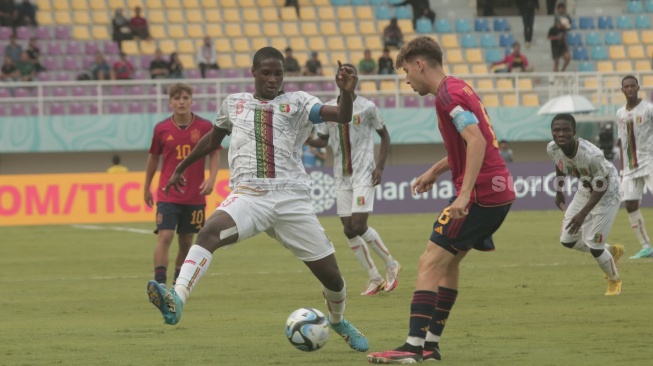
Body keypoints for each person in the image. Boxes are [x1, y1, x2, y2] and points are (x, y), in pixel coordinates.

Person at [145, 47, 370, 353]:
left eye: (278, 73)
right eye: (266, 72)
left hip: (292, 200)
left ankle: (338, 320)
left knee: (332, 277)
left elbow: (341, 117)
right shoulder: (234, 103)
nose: (272, 79)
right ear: (253, 72)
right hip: (249, 196)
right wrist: (182, 166)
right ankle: (177, 299)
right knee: (210, 231)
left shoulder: (300, 103)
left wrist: (346, 92)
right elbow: (214, 137)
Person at [367, 36, 515, 364]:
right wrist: (435, 170)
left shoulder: (448, 95)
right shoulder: (457, 89)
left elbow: (475, 142)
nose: (406, 79)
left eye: (406, 70)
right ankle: (430, 345)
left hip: (480, 194)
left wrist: (463, 195)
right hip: (496, 192)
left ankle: (412, 347)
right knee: (447, 264)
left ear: (420, 64)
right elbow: (474, 142)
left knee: (429, 262)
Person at [308, 64, 400, 296]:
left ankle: (391, 264)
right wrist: (303, 138)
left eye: (350, 75)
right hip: (341, 175)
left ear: (356, 79)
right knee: (348, 230)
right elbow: (321, 140)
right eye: (341, 74)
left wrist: (379, 166)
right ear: (336, 79)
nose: (345, 77)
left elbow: (385, 135)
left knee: (359, 225)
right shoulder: (328, 109)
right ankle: (374, 277)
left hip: (363, 173)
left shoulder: (368, 107)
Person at [144, 82, 220, 289]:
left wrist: (212, 178)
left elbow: (214, 153)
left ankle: (178, 284)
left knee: (187, 241)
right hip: (168, 194)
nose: (182, 102)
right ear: (171, 102)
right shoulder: (161, 129)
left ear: (191, 101)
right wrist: (146, 187)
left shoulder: (204, 127)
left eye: (185, 98)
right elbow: (153, 158)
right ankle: (160, 284)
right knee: (165, 235)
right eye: (177, 98)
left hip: (195, 195)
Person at [547, 113, 624, 295]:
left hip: (607, 192)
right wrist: (559, 191)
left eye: (566, 130)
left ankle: (614, 281)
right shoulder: (552, 148)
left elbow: (602, 185)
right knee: (567, 240)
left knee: (595, 247)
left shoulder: (592, 155)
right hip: (586, 187)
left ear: (574, 132)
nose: (561, 134)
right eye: (557, 130)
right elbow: (559, 164)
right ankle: (612, 251)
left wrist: (582, 214)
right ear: (551, 132)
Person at [616, 75, 653, 259]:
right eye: (626, 86)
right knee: (630, 203)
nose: (630, 89)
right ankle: (646, 246)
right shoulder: (620, 113)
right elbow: (622, 142)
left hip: (650, 162)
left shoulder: (649, 109)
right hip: (631, 167)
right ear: (622, 90)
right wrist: (622, 170)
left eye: (632, 85)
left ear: (638, 87)